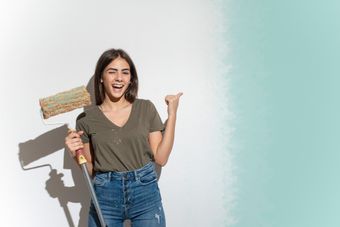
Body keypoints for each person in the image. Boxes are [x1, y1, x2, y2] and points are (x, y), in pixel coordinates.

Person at [65, 48, 182, 227]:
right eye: (112, 72)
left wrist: (172, 114)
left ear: (130, 79)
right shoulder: (86, 119)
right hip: (105, 194)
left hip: (145, 191)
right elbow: (92, 170)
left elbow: (161, 157)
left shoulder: (145, 108)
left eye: (125, 72)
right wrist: (75, 154)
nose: (119, 78)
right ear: (101, 77)